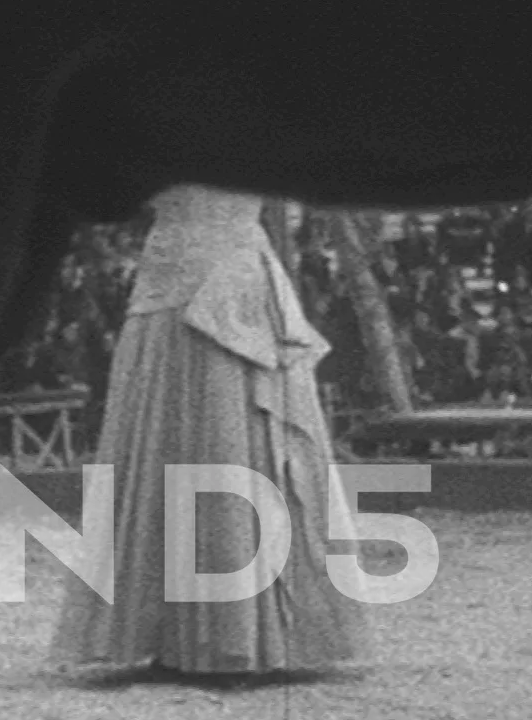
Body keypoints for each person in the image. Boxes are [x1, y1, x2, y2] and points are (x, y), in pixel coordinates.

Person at [51, 185, 367, 675]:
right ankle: (197, 633)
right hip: (182, 274)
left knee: (223, 433)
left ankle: (237, 632)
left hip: (224, 270)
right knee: (177, 437)